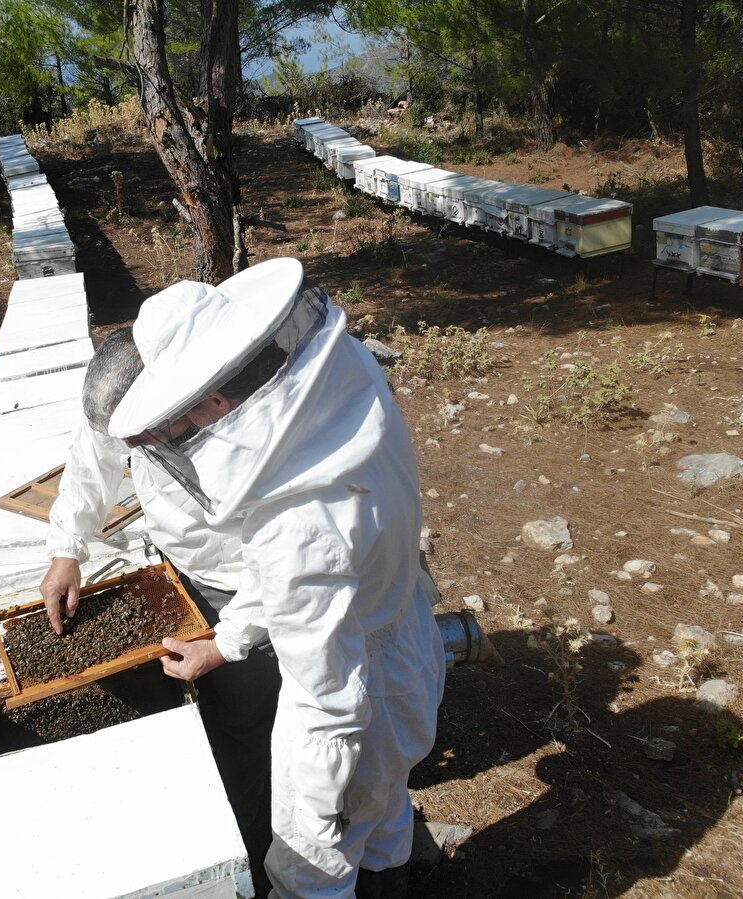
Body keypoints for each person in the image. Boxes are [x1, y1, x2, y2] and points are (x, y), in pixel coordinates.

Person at [106, 257, 445, 898]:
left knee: (313, 871)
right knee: (383, 815)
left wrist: (311, 823)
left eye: (181, 423)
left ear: (214, 396)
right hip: (400, 642)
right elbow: (307, 570)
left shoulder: (297, 523)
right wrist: (226, 644)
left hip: (352, 697)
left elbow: (327, 710)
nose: (183, 437)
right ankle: (393, 877)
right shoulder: (344, 385)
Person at [41, 328, 282, 896]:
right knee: (204, 717)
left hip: (254, 592)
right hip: (183, 576)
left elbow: (291, 563)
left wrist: (226, 643)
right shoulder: (125, 407)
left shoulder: (248, 425)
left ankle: (254, 854)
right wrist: (66, 549)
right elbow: (91, 459)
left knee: (250, 727)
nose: (140, 442)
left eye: (150, 431)